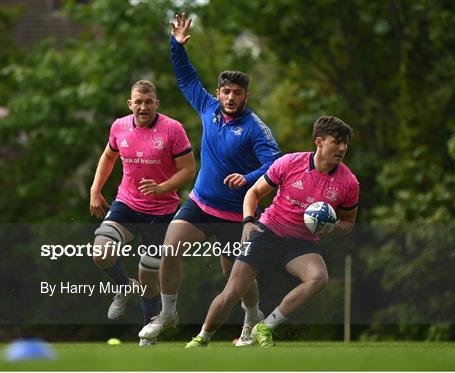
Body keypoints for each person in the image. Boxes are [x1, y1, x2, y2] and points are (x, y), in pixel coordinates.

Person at [138, 13, 281, 346]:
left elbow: (274, 164)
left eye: (238, 93)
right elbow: (186, 78)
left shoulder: (256, 129)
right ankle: (168, 313)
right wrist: (176, 45)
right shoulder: (208, 107)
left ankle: (252, 316)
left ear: (246, 96)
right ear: (218, 92)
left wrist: (247, 177)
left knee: (235, 278)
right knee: (169, 249)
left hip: (235, 215)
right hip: (201, 205)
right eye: (226, 91)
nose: (231, 97)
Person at [184, 116, 359, 348]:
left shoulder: (348, 182)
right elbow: (253, 193)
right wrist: (248, 221)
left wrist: (332, 226)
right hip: (269, 230)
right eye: (336, 142)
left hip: (301, 243)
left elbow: (348, 223)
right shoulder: (289, 163)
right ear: (319, 141)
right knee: (233, 291)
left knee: (318, 278)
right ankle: (202, 338)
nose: (342, 148)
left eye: (345, 143)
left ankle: (265, 326)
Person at [90, 80, 196, 346]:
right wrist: (95, 190)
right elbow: (108, 156)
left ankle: (148, 334)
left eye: (148, 102)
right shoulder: (119, 127)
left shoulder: (173, 129)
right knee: (101, 251)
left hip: (162, 212)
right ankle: (124, 286)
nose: (143, 107)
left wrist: (162, 188)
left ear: (156, 104)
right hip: (126, 203)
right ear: (130, 104)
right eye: (138, 102)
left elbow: (188, 170)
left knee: (149, 275)